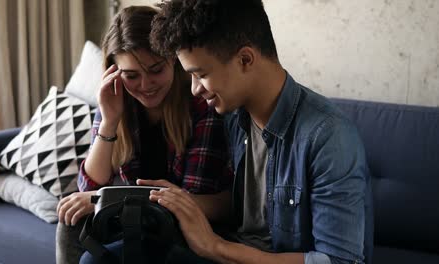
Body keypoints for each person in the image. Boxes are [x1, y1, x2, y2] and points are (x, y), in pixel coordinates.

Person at [148, 0, 374, 263]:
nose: (195, 89)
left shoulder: (328, 136)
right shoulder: (233, 115)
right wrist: (180, 202)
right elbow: (248, 207)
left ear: (245, 59)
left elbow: (339, 261)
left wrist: (216, 247)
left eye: (201, 75)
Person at [55, 6, 233, 264]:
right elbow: (90, 186)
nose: (146, 85)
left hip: (187, 227)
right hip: (136, 220)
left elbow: (185, 203)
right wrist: (109, 121)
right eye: (131, 75)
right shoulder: (116, 101)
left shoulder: (200, 105)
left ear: (173, 59)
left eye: (156, 70)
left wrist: (102, 200)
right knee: (70, 220)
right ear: (115, 72)